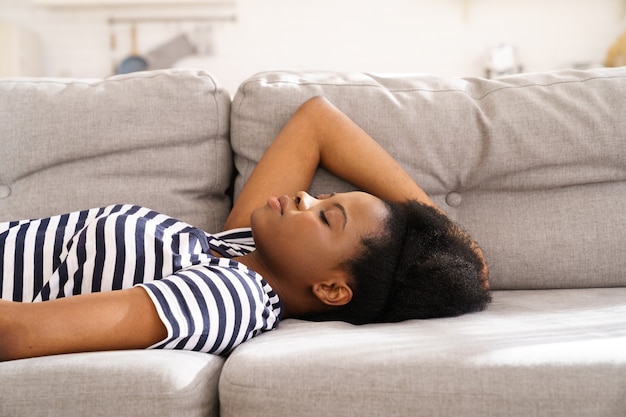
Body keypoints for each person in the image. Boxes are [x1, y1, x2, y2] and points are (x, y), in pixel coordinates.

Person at [0, 96, 490, 361]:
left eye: (325, 215)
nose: (305, 197)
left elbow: (19, 333)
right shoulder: (242, 247)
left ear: (331, 288)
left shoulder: (229, 297)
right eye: (320, 197)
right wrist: (447, 236)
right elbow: (317, 122)